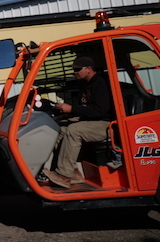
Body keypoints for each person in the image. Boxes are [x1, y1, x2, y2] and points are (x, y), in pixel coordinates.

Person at [42, 56, 113, 188]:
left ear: (89, 69)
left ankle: (64, 176)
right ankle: (73, 171)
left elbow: (99, 111)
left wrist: (72, 109)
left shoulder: (101, 84)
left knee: (74, 130)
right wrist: (65, 110)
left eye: (77, 69)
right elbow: (85, 109)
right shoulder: (85, 84)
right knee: (61, 128)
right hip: (92, 120)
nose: (74, 72)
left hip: (106, 124)